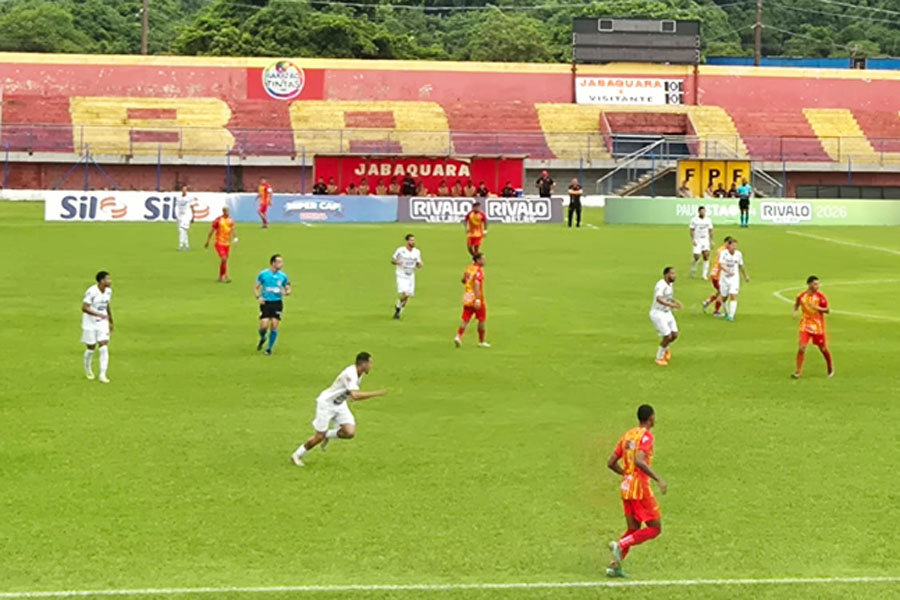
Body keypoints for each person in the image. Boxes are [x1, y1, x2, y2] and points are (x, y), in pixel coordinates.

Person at [291, 352, 388, 467]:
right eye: (370, 363)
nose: (371, 366)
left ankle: (327, 435)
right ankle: (297, 455)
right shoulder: (350, 374)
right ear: (363, 363)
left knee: (349, 432)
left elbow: (352, 394)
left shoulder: (360, 373)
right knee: (318, 437)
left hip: (340, 404)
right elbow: (355, 396)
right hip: (326, 404)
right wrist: (376, 393)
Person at [605, 404, 667, 578]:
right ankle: (621, 544)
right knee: (655, 528)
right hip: (640, 488)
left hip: (626, 488)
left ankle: (615, 566)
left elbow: (610, 462)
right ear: (651, 418)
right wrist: (659, 479)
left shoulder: (627, 436)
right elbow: (640, 460)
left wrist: (625, 473)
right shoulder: (646, 436)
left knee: (633, 528)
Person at [792, 276, 834, 379]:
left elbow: (827, 310)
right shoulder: (802, 296)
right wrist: (795, 311)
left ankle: (830, 368)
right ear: (809, 284)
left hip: (817, 327)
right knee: (802, 348)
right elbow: (797, 304)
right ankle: (798, 372)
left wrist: (816, 308)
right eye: (815, 284)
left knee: (823, 349)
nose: (817, 286)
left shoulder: (820, 297)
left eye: (818, 284)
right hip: (805, 325)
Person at [254, 254, 291, 356]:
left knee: (274, 325)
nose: (281, 264)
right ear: (273, 263)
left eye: (281, 262)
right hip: (266, 303)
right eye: (279, 262)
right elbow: (256, 287)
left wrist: (287, 291)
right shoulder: (263, 274)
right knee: (264, 326)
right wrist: (259, 297)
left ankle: (269, 349)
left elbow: (287, 287)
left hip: (277, 302)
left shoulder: (283, 276)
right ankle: (262, 338)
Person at [82, 271, 114, 383]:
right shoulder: (92, 292)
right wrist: (98, 314)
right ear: (101, 281)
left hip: (102, 322)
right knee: (91, 348)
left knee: (104, 346)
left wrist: (111, 321)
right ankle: (88, 369)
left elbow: (107, 305)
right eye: (107, 279)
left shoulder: (109, 292)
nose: (110, 281)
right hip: (89, 323)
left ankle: (102, 374)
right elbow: (84, 308)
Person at [454, 253, 489, 348]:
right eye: (483, 259)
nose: (484, 261)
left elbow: (463, 280)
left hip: (467, 296)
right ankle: (481, 341)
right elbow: (477, 283)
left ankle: (458, 336)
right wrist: (477, 299)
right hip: (476, 297)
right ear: (478, 260)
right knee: (481, 319)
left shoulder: (469, 268)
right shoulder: (479, 271)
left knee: (465, 318)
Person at [649, 267, 682, 366]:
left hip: (667, 312)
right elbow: (659, 299)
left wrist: (674, 301)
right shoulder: (661, 285)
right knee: (667, 336)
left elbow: (668, 297)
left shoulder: (670, 285)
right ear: (666, 275)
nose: (674, 276)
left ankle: (665, 349)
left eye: (674, 273)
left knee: (674, 334)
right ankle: (659, 357)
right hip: (658, 313)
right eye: (672, 274)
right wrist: (671, 305)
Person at [716, 238, 750, 322]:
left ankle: (731, 315)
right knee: (723, 297)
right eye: (733, 245)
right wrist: (727, 270)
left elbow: (741, 265)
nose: (735, 247)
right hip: (724, 278)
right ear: (729, 246)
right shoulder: (723, 253)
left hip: (734, 278)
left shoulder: (738, 254)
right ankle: (727, 312)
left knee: (733, 295)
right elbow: (721, 264)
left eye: (736, 245)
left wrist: (745, 276)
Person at [392, 234, 423, 320]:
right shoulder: (400, 250)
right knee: (405, 294)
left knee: (407, 296)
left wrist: (419, 265)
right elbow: (393, 260)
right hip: (401, 274)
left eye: (413, 240)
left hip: (411, 276)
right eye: (411, 240)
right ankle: (398, 307)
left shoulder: (417, 252)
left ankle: (398, 311)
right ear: (407, 241)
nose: (413, 242)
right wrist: (397, 262)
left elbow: (418, 263)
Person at [702, 236, 733, 317]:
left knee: (720, 292)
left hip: (715, 273)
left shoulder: (720, 250)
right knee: (722, 294)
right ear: (727, 243)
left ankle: (707, 302)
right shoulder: (724, 251)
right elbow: (721, 263)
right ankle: (716, 312)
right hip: (719, 275)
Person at [205, 206, 236, 283]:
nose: (228, 212)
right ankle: (224, 276)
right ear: (223, 211)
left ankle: (221, 276)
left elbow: (232, 229)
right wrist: (207, 241)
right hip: (219, 243)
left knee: (225, 260)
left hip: (227, 243)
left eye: (228, 211)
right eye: (226, 211)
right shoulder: (218, 220)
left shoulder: (230, 220)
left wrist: (235, 237)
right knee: (223, 258)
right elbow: (212, 230)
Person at [689, 206, 714, 279]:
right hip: (697, 239)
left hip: (705, 239)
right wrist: (693, 239)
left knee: (706, 255)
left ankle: (704, 274)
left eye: (704, 211)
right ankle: (693, 266)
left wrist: (711, 240)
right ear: (699, 212)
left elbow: (711, 230)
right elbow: (691, 229)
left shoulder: (708, 220)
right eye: (701, 211)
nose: (703, 213)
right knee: (697, 256)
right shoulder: (694, 220)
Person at [175, 185, 197, 251]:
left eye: (185, 190)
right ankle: (186, 245)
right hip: (180, 215)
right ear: (181, 190)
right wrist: (176, 215)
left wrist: (193, 216)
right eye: (183, 189)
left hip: (187, 215)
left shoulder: (189, 198)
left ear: (187, 191)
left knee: (182, 229)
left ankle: (181, 245)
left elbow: (192, 207)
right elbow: (177, 206)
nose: (184, 191)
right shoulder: (178, 198)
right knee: (182, 230)